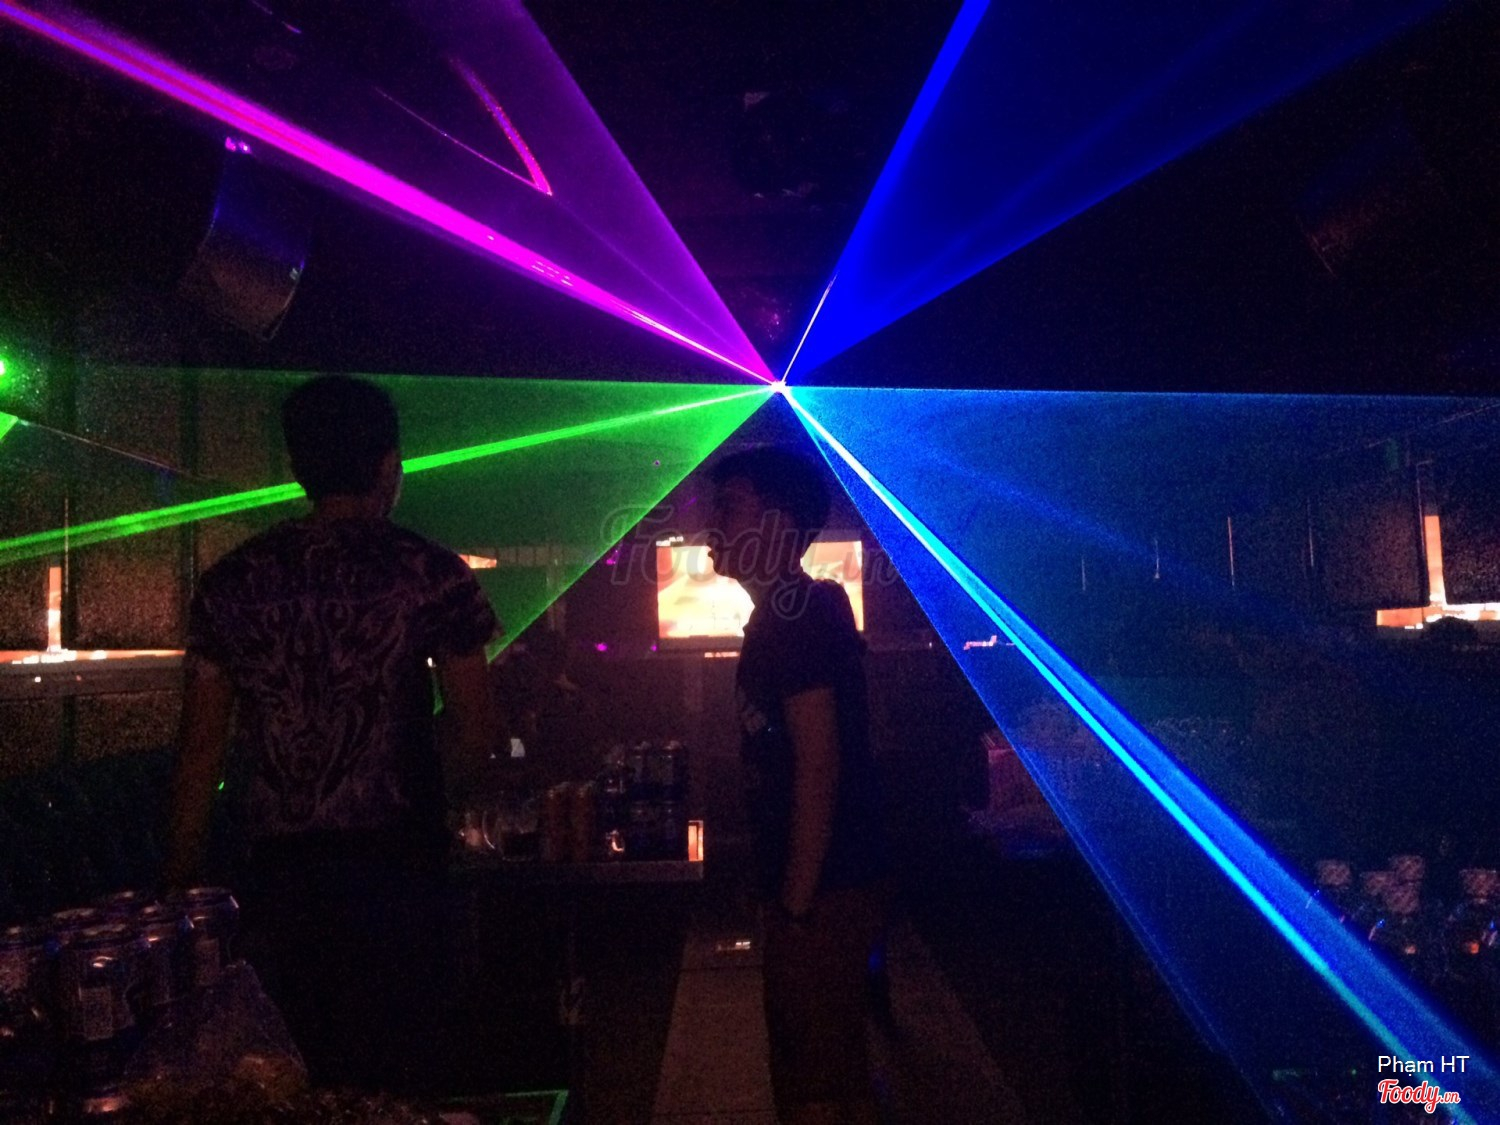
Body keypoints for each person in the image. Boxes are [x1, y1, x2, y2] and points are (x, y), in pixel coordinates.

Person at [165, 374, 498, 1092]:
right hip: (400, 869)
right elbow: (477, 729)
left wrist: (179, 883)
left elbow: (200, 748)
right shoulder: (431, 573)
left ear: (297, 466)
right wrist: (448, 812)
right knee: (403, 1072)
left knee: (296, 1073)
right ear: (389, 465)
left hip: (277, 881)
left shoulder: (231, 582)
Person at [707, 446, 890, 1125]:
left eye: (729, 507)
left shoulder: (800, 615)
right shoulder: (786, 615)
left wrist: (796, 904)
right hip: (827, 887)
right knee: (831, 1068)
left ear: (778, 525)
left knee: (812, 1080)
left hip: (825, 891)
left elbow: (819, 763)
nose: (711, 526)